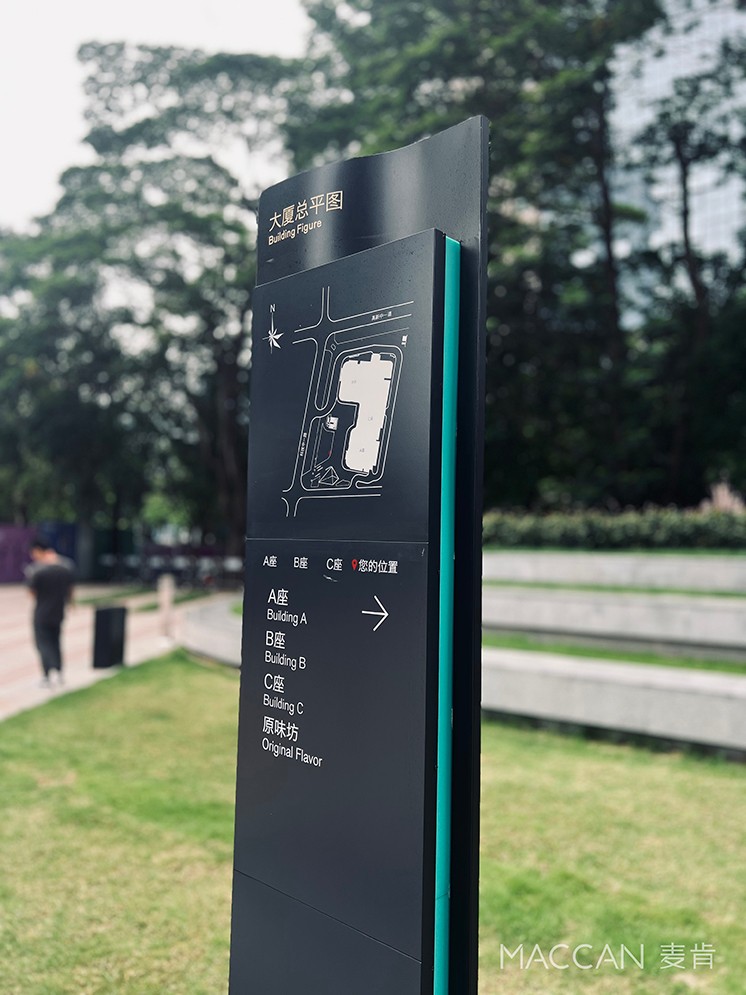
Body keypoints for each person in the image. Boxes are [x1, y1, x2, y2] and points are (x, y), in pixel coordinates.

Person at [26, 538, 75, 687]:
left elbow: (31, 592)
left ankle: (47, 675)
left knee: (43, 644)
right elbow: (70, 589)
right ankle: (59, 672)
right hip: (58, 612)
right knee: (56, 642)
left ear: (39, 551)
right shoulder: (66, 566)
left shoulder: (37, 570)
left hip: (42, 613)